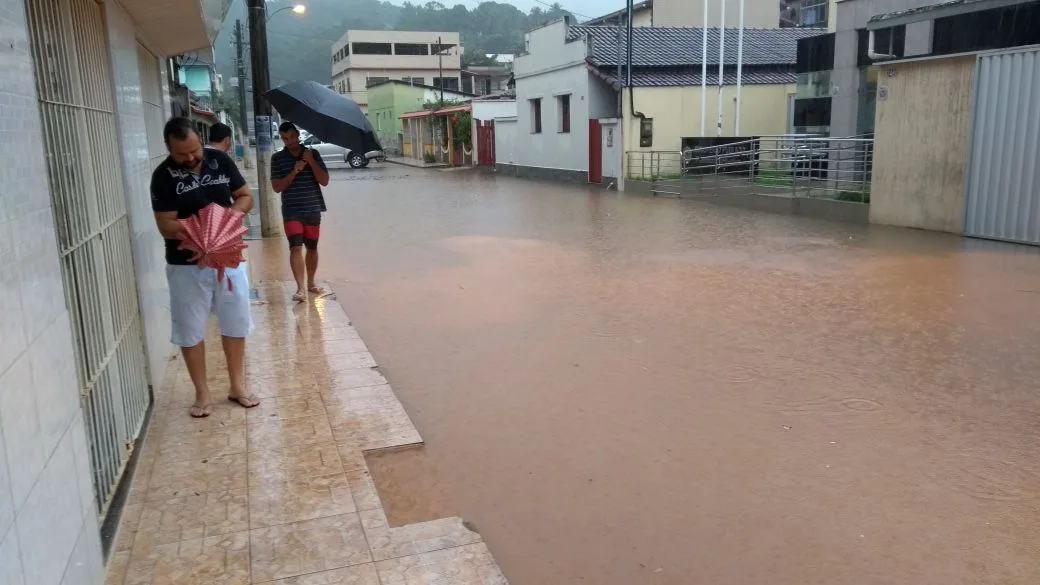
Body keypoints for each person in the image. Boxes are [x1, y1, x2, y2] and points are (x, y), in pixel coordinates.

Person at [151, 117, 259, 418]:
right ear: (168, 148)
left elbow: (245, 197)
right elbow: (165, 224)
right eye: (182, 154)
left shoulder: (220, 161)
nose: (191, 158)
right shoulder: (162, 176)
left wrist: (228, 219)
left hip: (229, 257)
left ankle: (237, 385)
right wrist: (201, 233)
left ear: (200, 140)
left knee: (236, 319)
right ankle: (202, 393)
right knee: (190, 327)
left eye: (194, 150)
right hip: (186, 265)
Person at [270, 121, 330, 302]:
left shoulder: (313, 153)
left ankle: (311, 283)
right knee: (295, 247)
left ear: (298, 135)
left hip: (312, 208)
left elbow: (325, 181)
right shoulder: (277, 159)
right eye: (285, 139)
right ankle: (300, 289)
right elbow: (277, 187)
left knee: (311, 247)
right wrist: (293, 172)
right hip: (291, 209)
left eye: (292, 137)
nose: (290, 141)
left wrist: (311, 161)